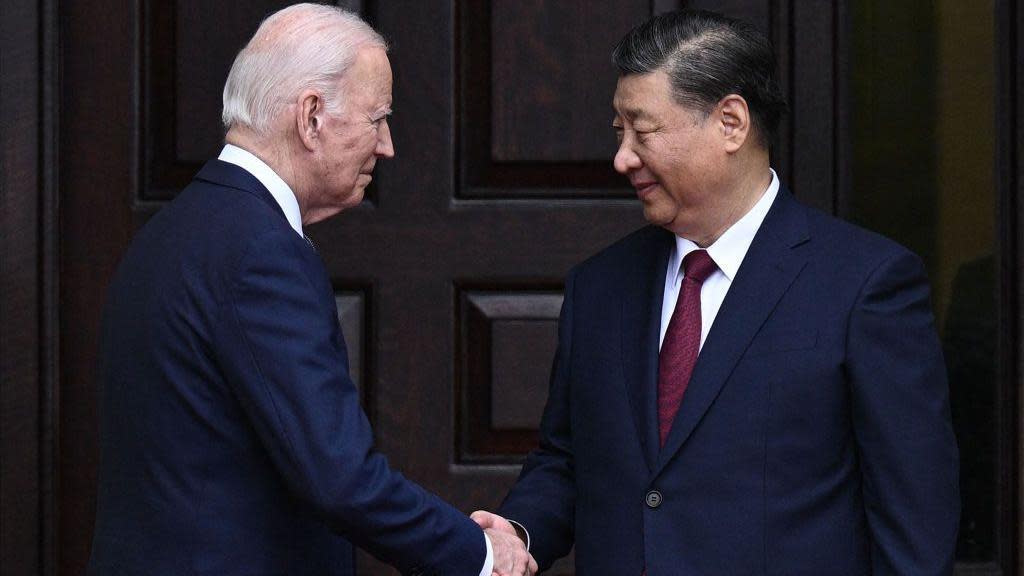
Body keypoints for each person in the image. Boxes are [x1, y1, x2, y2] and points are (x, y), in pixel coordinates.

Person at [472, 9, 959, 575]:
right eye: (619, 132)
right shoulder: (601, 285)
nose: (622, 157)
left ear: (731, 122)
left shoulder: (864, 284)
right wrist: (518, 533)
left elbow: (913, 516)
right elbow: (567, 460)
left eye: (643, 131)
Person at [87, 4, 535, 575]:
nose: (388, 145)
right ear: (312, 117)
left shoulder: (176, 229)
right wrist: (479, 555)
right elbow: (338, 476)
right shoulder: (259, 252)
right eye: (378, 119)